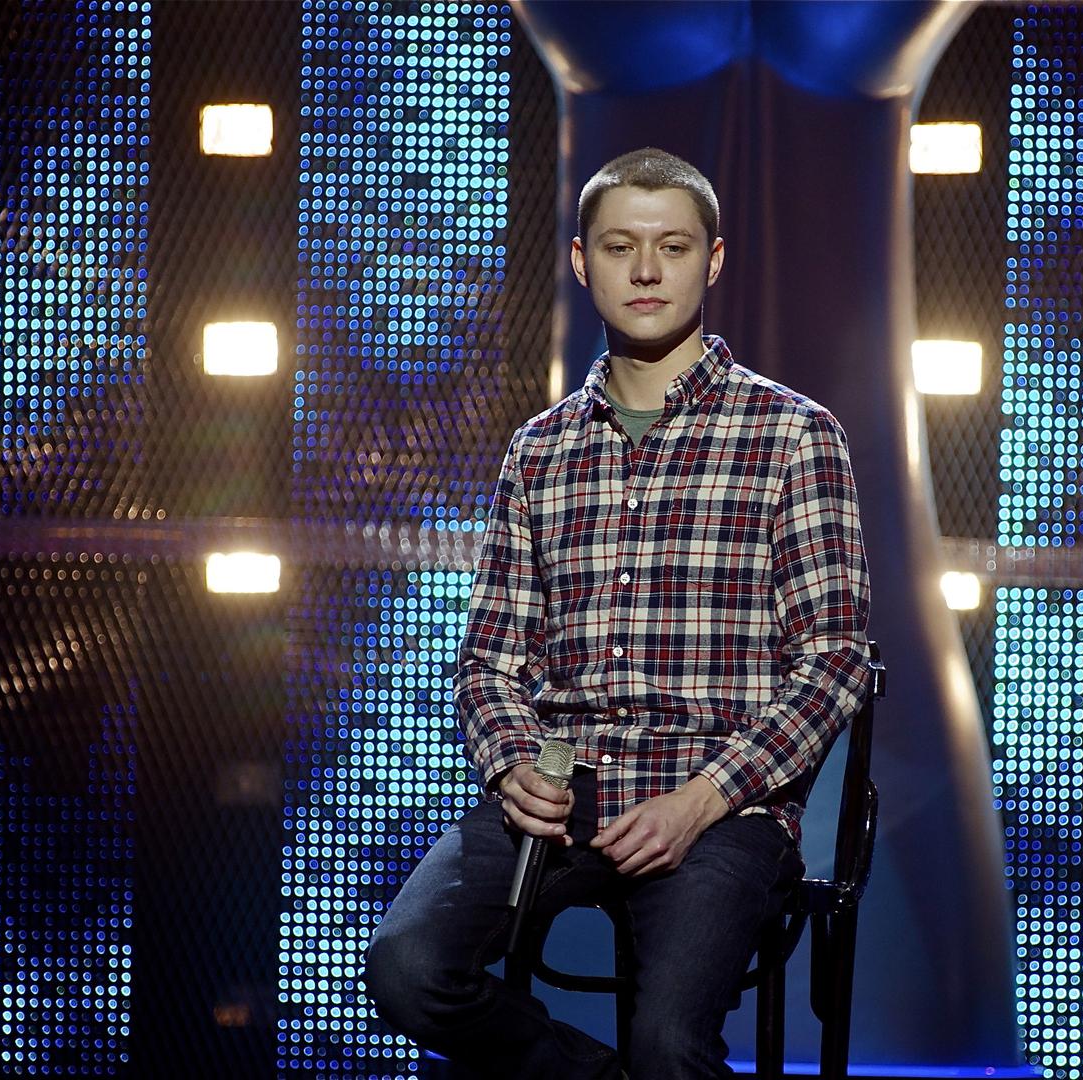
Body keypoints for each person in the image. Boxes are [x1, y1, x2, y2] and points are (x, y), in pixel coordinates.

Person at [365, 147, 871, 1080]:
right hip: (563, 785)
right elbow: (487, 661)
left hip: (720, 798)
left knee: (669, 1044)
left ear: (711, 261)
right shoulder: (540, 450)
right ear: (580, 261)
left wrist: (703, 798)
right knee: (407, 970)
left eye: (671, 247)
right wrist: (513, 764)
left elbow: (835, 659)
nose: (645, 270)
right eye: (619, 246)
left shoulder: (792, 435)